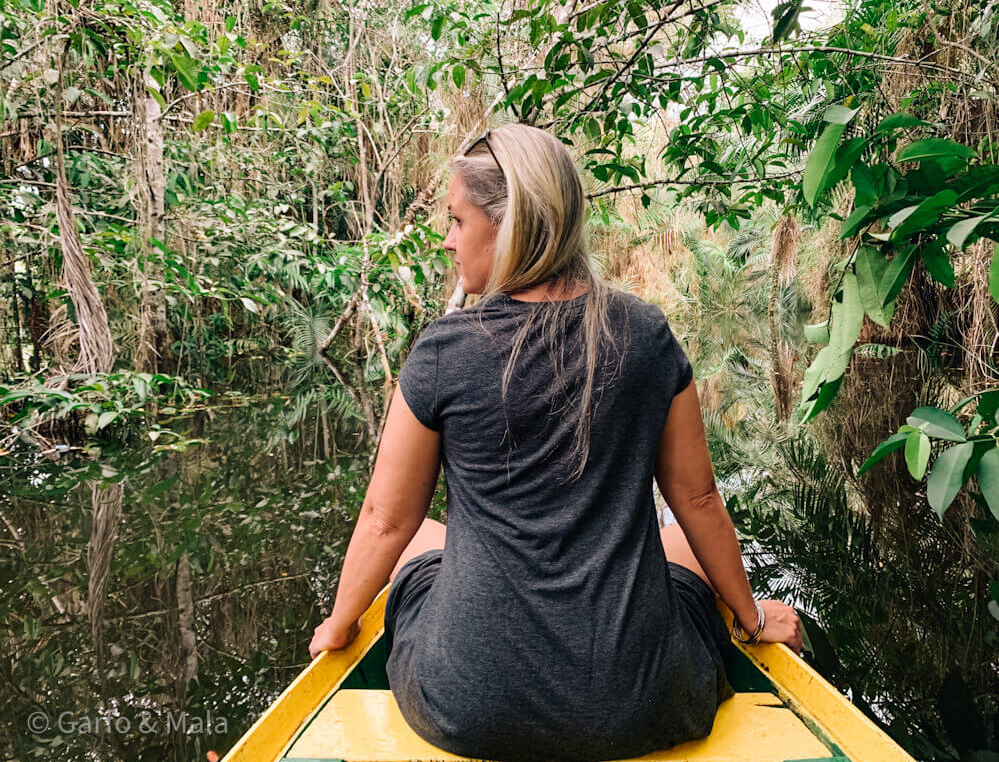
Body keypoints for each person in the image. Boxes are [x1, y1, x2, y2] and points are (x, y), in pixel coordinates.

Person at [308, 123, 802, 762]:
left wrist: (338, 626)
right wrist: (753, 620)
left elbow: (384, 520)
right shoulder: (646, 334)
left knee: (423, 541)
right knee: (674, 535)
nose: (448, 240)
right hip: (639, 702)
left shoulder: (441, 352)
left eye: (458, 221)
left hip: (471, 703)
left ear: (507, 225)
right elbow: (699, 498)